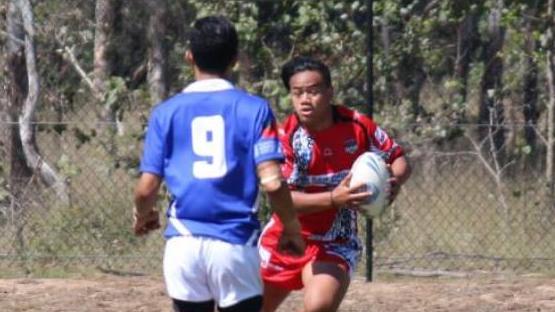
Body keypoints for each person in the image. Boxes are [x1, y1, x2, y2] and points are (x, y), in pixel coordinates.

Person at [133, 16, 305, 312]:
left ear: (189, 56)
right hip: (234, 244)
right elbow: (273, 182)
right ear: (235, 59)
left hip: (184, 245)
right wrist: (291, 228)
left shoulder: (165, 112)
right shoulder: (254, 109)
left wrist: (142, 215)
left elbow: (146, 188)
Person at [259, 56, 411, 312]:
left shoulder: (357, 126)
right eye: (297, 93)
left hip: (335, 239)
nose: (305, 99)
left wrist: (394, 181)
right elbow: (283, 201)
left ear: (330, 92)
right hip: (288, 236)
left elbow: (398, 158)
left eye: (313, 91)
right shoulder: (285, 137)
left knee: (319, 305)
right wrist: (333, 198)